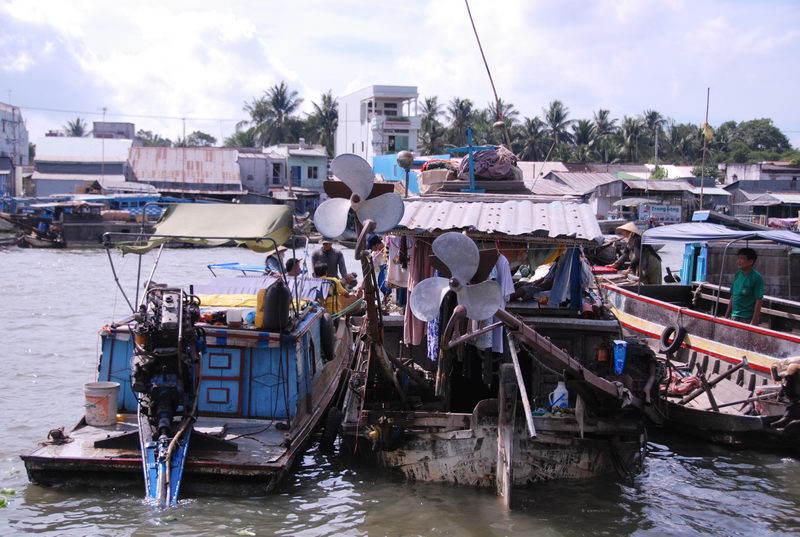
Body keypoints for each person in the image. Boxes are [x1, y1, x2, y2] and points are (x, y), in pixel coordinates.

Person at [725, 247, 764, 325]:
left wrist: (753, 322)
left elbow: (759, 300)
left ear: (750, 262)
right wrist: (726, 316)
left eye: (742, 258)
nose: (739, 261)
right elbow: (733, 296)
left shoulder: (757, 277)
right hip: (734, 316)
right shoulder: (737, 274)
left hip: (747, 318)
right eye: (738, 258)